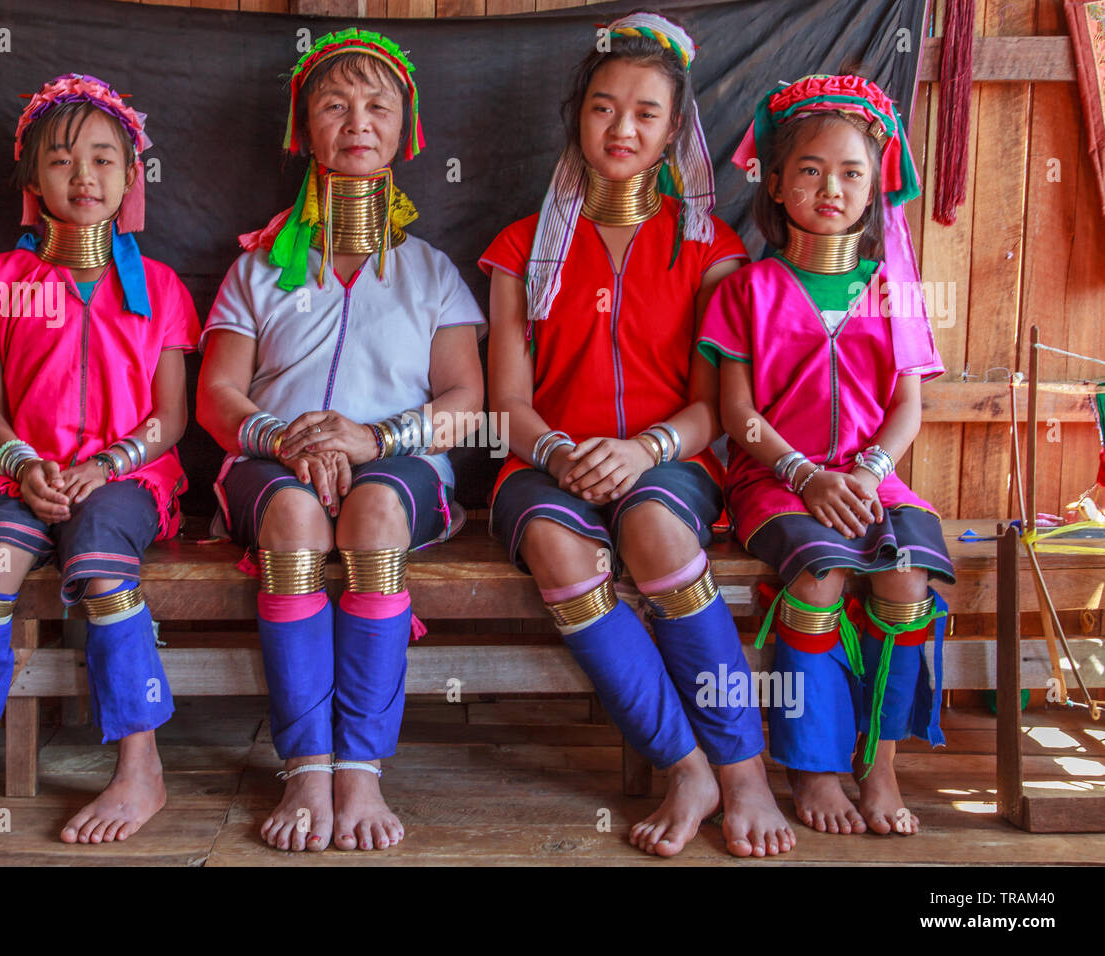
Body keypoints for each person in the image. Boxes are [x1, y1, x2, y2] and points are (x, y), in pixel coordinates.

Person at [481, 12, 794, 858]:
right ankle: (685, 763)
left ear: (673, 131)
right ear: (576, 116)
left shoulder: (710, 250)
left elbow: (713, 411)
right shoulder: (521, 249)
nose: (621, 129)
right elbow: (506, 401)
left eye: (645, 113)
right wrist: (559, 453)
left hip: (671, 458)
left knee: (653, 527)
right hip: (543, 459)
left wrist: (640, 451)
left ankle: (745, 770)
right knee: (555, 542)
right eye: (602, 107)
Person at [196, 28, 485, 853]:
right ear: (303, 129)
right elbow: (217, 397)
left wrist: (375, 437)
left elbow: (467, 401)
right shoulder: (258, 266)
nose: (356, 121)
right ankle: (306, 765)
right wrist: (279, 439)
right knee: (294, 525)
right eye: (333, 104)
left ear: (405, 131)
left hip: (396, 468)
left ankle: (361, 766)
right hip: (271, 465)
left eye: (376, 106)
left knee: (374, 520)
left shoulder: (431, 272)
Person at [0, 74, 200, 846]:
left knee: (100, 565)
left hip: (128, 477)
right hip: (19, 471)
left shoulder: (162, 289)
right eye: (62, 161)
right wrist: (26, 465)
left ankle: (141, 767)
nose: (85, 177)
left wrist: (107, 465)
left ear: (132, 177)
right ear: (32, 178)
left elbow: (171, 419)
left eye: (104, 159)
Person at [699, 73, 952, 836]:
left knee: (907, 580)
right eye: (809, 170)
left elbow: (908, 406)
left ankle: (878, 764)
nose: (830, 187)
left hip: (873, 478)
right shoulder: (747, 289)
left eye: (851, 173)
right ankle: (812, 766)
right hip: (774, 479)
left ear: (877, 187)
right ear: (774, 184)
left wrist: (868, 472)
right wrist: (805, 475)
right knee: (822, 571)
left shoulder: (893, 289)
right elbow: (736, 415)